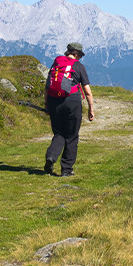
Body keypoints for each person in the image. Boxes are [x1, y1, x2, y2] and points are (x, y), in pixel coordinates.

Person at [44, 42, 94, 177]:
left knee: (59, 133)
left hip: (55, 101)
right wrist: (91, 109)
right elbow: (87, 91)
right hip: (72, 102)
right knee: (71, 136)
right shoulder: (79, 66)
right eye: (80, 56)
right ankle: (66, 170)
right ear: (76, 53)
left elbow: (48, 86)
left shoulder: (57, 63)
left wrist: (47, 105)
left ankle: (51, 157)